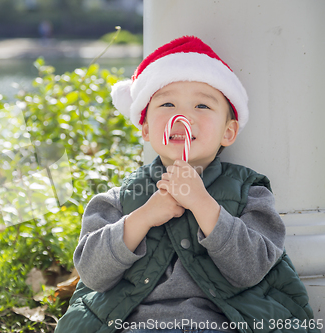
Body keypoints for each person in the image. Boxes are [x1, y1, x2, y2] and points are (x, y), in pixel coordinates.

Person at [54, 36, 319, 333]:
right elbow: (92, 273)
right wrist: (143, 216)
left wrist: (204, 205)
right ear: (145, 127)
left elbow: (253, 269)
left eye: (203, 105)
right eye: (167, 103)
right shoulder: (117, 199)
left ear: (228, 132)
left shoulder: (251, 192)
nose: (184, 116)